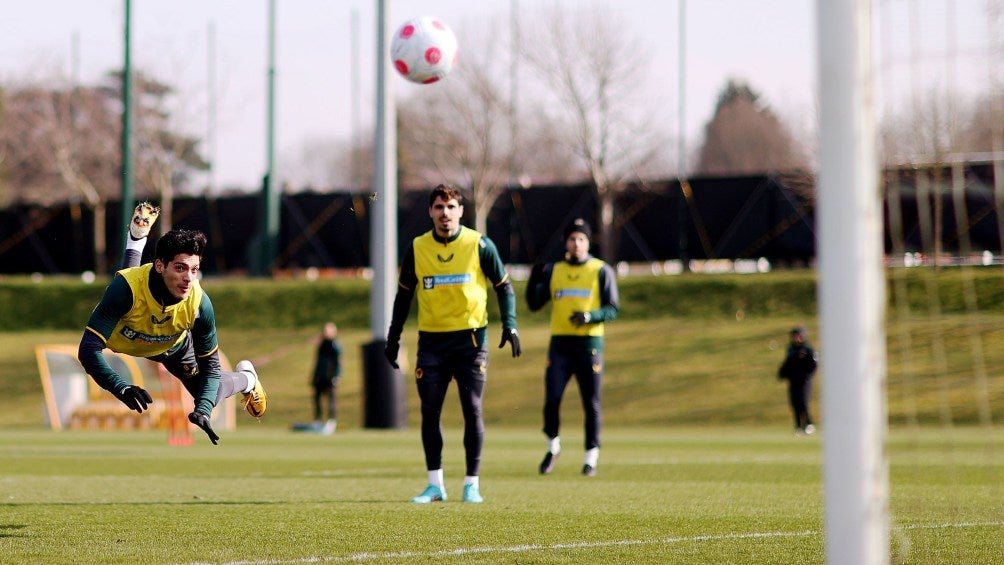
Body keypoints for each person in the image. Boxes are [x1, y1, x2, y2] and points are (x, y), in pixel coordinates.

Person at [77, 203, 267, 445]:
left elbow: (211, 369)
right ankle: (136, 239)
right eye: (180, 268)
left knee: (205, 393)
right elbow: (87, 350)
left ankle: (248, 379)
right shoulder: (124, 290)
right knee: (130, 280)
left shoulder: (199, 304)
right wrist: (120, 387)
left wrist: (204, 410)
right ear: (160, 265)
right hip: (134, 322)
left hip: (174, 349)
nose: (188, 278)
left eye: (194, 270)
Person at [384, 184, 522, 504]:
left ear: (461, 211)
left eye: (450, 207)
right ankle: (435, 486)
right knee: (430, 412)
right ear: (430, 212)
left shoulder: (479, 245)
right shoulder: (417, 248)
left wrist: (511, 326)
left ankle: (471, 484)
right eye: (438, 207)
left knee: (472, 409)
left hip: (471, 341)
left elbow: (505, 287)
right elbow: (404, 296)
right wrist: (394, 336)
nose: (444, 213)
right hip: (431, 342)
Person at [525, 218, 620, 477]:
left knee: (591, 403)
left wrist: (590, 317)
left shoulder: (601, 270)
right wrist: (533, 281)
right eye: (572, 239)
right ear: (565, 242)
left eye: (581, 239)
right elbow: (534, 304)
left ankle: (591, 457)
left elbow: (613, 309)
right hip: (560, 346)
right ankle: (552, 447)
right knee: (552, 400)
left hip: (589, 346)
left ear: (588, 242)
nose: (576, 243)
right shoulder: (556, 271)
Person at [777, 325, 818, 435]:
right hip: (793, 381)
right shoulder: (791, 350)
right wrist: (782, 373)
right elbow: (787, 364)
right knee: (794, 403)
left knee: (803, 402)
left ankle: (808, 424)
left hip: (804, 382)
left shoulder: (807, 350)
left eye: (798, 336)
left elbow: (813, 365)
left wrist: (806, 375)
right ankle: (799, 426)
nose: (796, 338)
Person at [311, 321, 342, 434]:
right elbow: (318, 362)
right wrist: (315, 375)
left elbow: (339, 362)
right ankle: (318, 421)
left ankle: (331, 421)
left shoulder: (335, 345)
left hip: (330, 377)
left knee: (331, 400)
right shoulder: (321, 345)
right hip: (320, 376)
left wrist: (336, 376)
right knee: (317, 399)